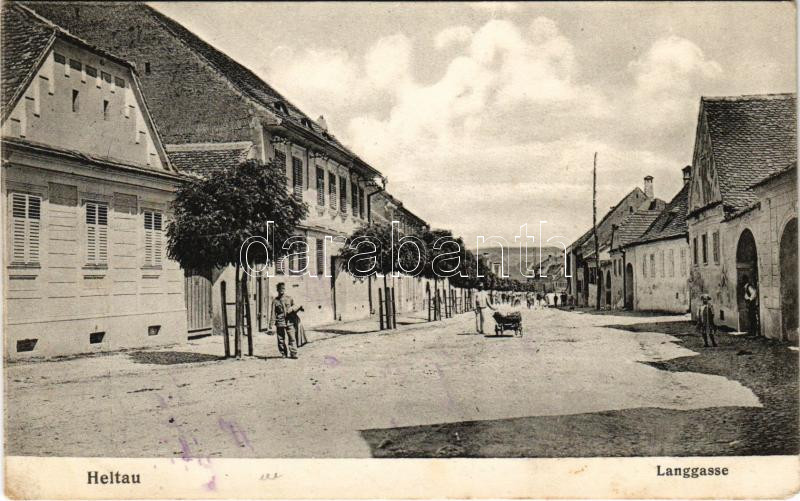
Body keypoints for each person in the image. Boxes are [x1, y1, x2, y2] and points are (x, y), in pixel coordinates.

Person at [268, 282, 302, 359]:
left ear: (284, 289)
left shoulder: (289, 298)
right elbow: (273, 313)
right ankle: (283, 353)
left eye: (283, 288)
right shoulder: (275, 301)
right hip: (280, 322)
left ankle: (293, 353)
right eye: (280, 289)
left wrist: (293, 309)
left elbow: (295, 306)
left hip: (289, 321)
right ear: (277, 290)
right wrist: (271, 324)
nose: (281, 290)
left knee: (292, 337)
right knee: (280, 339)